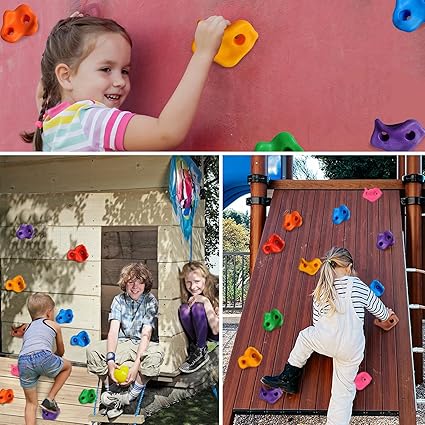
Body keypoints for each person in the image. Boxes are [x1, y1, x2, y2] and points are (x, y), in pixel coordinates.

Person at [21, 13, 230, 151]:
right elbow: (166, 133)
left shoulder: (50, 120)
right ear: (65, 76)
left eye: (125, 71)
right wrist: (203, 53)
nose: (120, 81)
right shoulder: (92, 119)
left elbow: (44, 86)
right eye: (106, 69)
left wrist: (65, 36)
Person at [261, 247, 394, 425]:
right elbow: (380, 312)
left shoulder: (322, 289)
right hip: (352, 348)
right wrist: (387, 314)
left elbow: (317, 323)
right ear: (349, 267)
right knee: (343, 393)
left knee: (305, 336)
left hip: (326, 340)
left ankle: (289, 376)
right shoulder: (357, 285)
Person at [86, 263, 164, 419]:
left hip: (142, 343)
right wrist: (110, 362)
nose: (135, 286)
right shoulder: (118, 300)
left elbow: (146, 334)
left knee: (155, 355)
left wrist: (136, 366)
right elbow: (113, 331)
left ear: (145, 284)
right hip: (122, 342)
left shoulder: (150, 301)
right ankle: (109, 394)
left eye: (139, 282)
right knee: (93, 350)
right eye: (130, 282)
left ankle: (128, 397)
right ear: (125, 283)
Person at [18, 293, 72, 425]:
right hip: (43, 356)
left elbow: (28, 348)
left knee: (31, 403)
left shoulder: (28, 327)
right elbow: (61, 351)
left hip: (23, 361)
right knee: (67, 367)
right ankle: (50, 398)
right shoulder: (54, 325)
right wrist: (53, 359)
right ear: (49, 313)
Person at [178, 261, 219, 373]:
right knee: (184, 310)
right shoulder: (188, 296)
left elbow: (216, 330)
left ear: (205, 279)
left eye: (197, 281)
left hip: (213, 337)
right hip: (199, 336)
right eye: (188, 282)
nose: (193, 287)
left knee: (198, 308)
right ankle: (197, 348)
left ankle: (201, 351)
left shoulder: (216, 291)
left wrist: (205, 301)